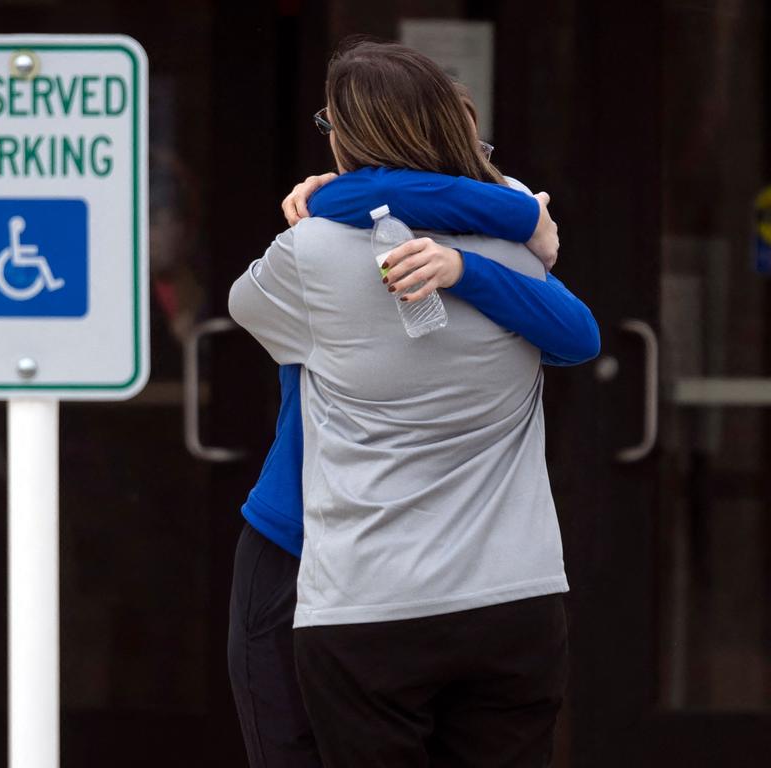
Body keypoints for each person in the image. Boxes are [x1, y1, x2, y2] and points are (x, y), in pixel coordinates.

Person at [228, 40, 596, 767]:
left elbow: (250, 307)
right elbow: (577, 335)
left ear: (353, 137)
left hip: (348, 577)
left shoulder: (312, 252)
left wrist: (336, 198)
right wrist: (512, 231)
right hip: (510, 595)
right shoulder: (517, 241)